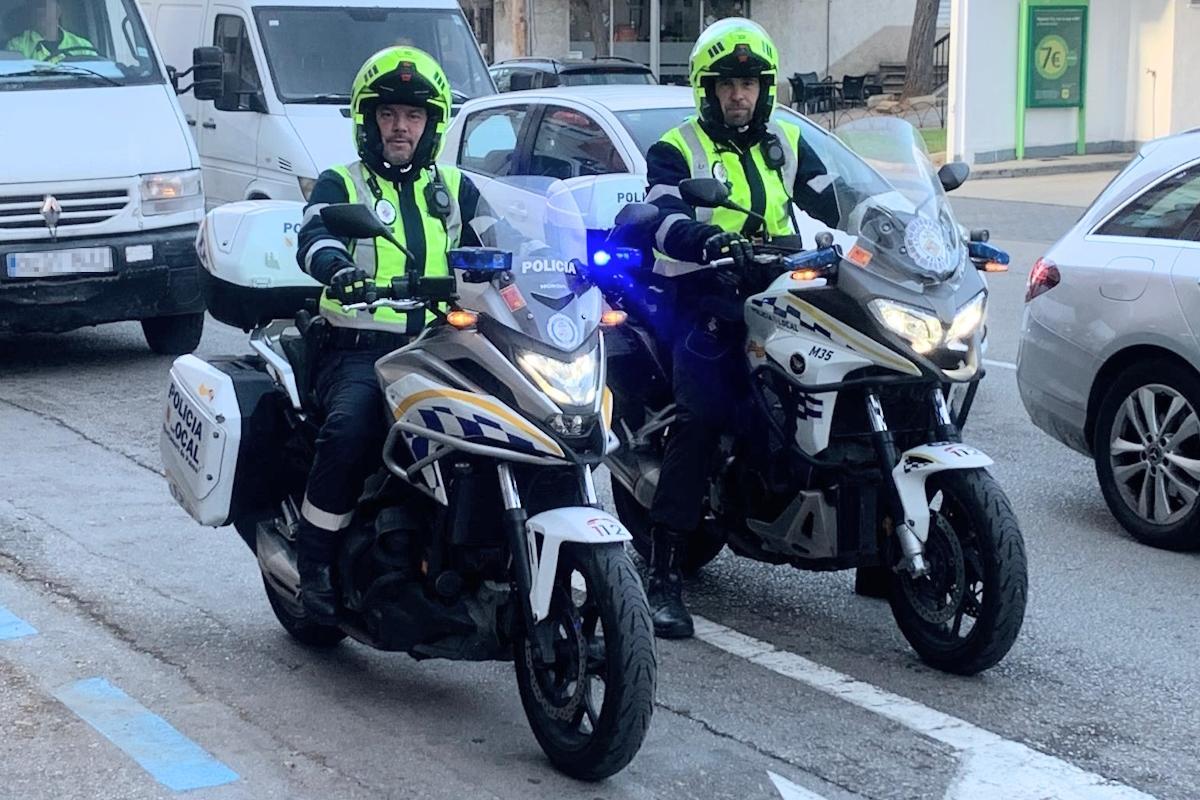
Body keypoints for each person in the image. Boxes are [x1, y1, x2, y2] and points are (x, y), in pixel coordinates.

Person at [642, 18, 838, 639]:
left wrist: (909, 228)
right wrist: (711, 239)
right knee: (703, 414)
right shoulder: (676, 147)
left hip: (784, 289)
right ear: (707, 88)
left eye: (750, 83)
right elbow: (662, 216)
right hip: (706, 295)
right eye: (727, 83)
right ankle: (663, 572)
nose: (739, 95)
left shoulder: (788, 142)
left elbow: (846, 202)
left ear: (766, 87)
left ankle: (884, 550)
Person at [294, 46, 489, 623]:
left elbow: (503, 246)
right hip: (359, 349)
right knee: (351, 430)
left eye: (413, 115)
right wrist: (338, 269)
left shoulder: (457, 188)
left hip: (441, 347)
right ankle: (316, 568)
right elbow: (313, 236)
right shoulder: (342, 182)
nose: (401, 126)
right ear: (369, 120)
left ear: (431, 124)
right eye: (388, 114)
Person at [5, 0, 97, 62]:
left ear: (58, 11)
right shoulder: (16, 46)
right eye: (36, 6)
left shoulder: (83, 46)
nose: (40, 11)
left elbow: (96, 79)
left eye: (45, 5)